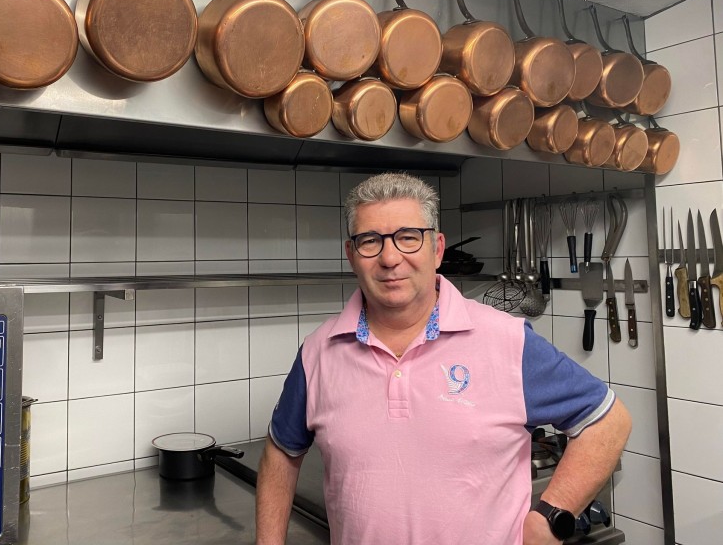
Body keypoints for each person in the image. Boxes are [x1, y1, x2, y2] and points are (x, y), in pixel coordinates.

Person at [256, 172, 631, 545]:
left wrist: (550, 519)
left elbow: (609, 421)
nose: (390, 258)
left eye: (408, 237)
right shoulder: (318, 352)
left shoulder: (507, 340)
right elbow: (281, 452)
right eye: (370, 241)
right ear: (351, 255)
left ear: (436, 249)